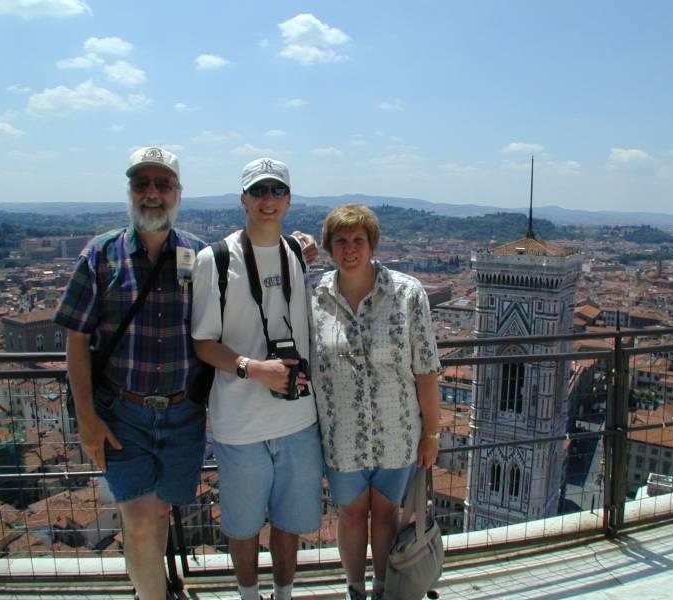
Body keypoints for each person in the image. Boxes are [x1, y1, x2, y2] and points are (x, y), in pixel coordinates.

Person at [54, 146, 206, 600]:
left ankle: (151, 589)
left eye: (163, 184)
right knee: (139, 520)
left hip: (183, 415)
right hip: (122, 415)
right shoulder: (101, 254)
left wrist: (298, 249)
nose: (152, 193)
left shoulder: (199, 256)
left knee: (157, 514)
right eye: (142, 184)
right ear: (131, 192)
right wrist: (86, 419)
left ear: (178, 193)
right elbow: (76, 339)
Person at [191, 157, 323, 600]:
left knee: (289, 522)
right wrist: (254, 368)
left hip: (298, 419)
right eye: (259, 191)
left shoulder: (297, 254)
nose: (269, 199)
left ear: (289, 200)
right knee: (243, 526)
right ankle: (249, 596)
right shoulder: (215, 260)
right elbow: (202, 343)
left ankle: (283, 594)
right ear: (243, 199)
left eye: (277, 190)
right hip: (240, 424)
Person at [310, 204, 442, 600]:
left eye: (358, 240)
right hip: (341, 434)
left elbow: (426, 369)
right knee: (350, 514)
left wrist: (432, 434)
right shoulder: (313, 296)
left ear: (372, 245)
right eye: (340, 241)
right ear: (329, 246)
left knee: (386, 515)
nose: (349, 249)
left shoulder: (407, 293)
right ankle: (355, 589)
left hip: (397, 430)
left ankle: (384, 589)